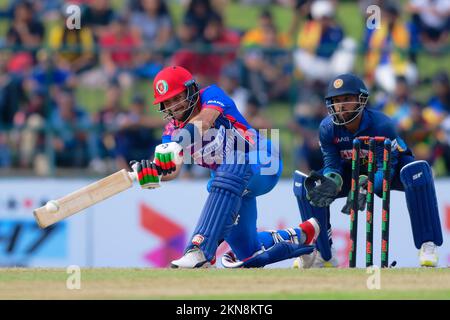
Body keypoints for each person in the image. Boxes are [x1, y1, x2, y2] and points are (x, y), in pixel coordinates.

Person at [130, 65, 320, 268]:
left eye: (178, 98)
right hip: (229, 184)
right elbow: (173, 169)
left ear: (191, 90)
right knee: (247, 250)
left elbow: (204, 121)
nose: (175, 106)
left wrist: (178, 143)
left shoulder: (211, 95)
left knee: (226, 170)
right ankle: (303, 234)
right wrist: (154, 172)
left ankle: (200, 249)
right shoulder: (170, 132)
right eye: (168, 102)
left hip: (262, 161)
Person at [293, 73, 443, 268]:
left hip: (391, 168)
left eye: (347, 99)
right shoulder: (327, 128)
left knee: (417, 174)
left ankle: (427, 245)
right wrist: (333, 181)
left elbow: (386, 168)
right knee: (312, 186)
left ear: (361, 100)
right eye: (336, 101)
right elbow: (332, 164)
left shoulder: (382, 125)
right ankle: (323, 254)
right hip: (352, 170)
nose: (341, 105)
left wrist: (365, 188)